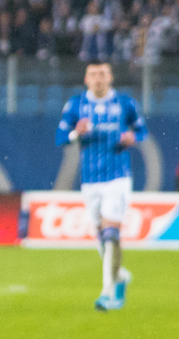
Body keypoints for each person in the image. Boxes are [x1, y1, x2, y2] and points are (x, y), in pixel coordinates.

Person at [56, 62, 147, 311]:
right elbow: (60, 138)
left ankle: (107, 292)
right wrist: (76, 132)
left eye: (103, 74)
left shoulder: (125, 103)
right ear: (86, 79)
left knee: (110, 234)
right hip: (90, 181)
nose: (98, 78)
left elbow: (142, 131)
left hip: (118, 177)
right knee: (101, 238)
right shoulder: (75, 105)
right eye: (94, 74)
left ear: (111, 77)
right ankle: (120, 277)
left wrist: (132, 138)